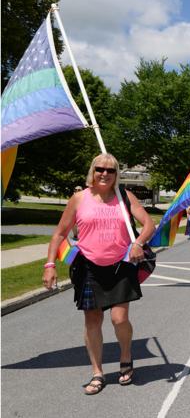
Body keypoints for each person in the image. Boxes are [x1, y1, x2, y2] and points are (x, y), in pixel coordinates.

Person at [42, 153, 154, 395]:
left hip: (120, 266)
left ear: (116, 175)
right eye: (100, 169)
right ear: (92, 171)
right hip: (89, 267)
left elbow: (149, 225)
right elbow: (59, 234)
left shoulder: (124, 197)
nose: (105, 173)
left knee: (119, 319)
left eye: (110, 170)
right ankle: (97, 372)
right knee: (92, 321)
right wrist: (50, 265)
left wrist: (138, 243)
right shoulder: (79, 198)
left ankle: (126, 356)